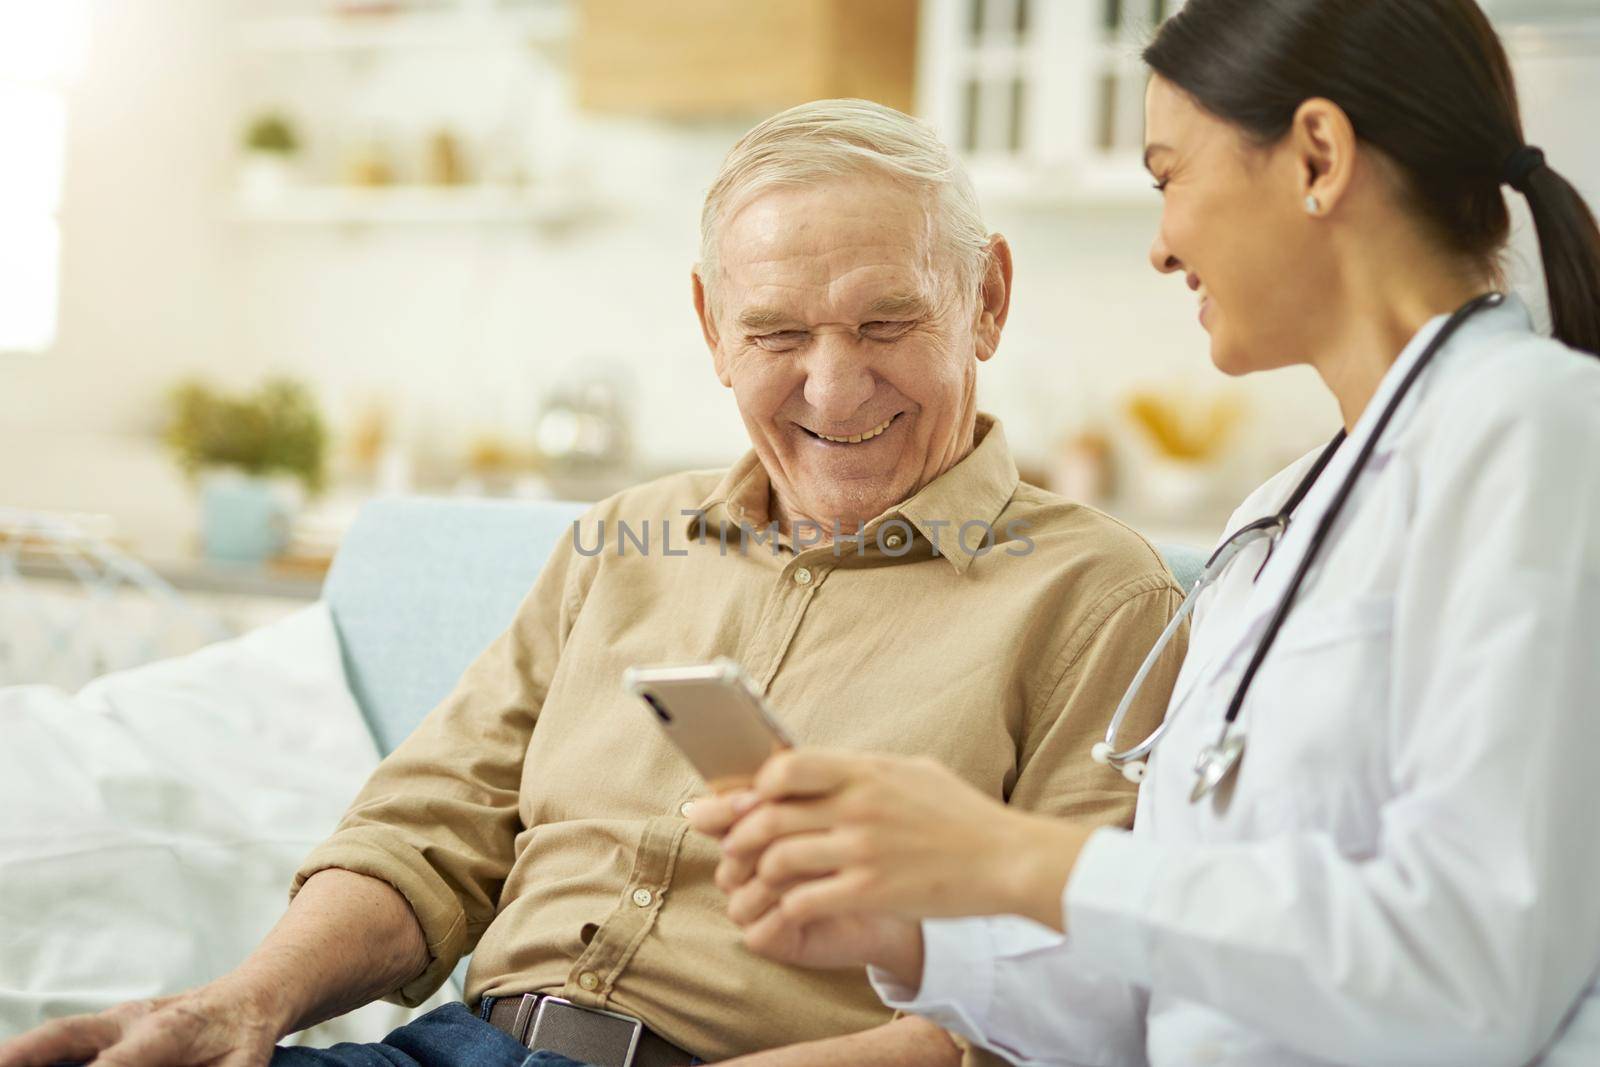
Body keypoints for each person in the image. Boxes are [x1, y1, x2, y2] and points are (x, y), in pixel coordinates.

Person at [0, 101, 1187, 1067]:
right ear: (709, 324)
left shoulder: (1100, 601)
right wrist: (243, 1003)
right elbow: (432, 828)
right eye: (776, 335)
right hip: (448, 1047)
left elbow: (1044, 1011)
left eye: (886, 321)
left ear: (984, 301)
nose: (832, 389)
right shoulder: (622, 538)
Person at [689, 2, 1600, 1064]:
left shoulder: (1540, 431)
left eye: (1169, 175)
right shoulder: (1281, 515)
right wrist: (916, 932)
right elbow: (1171, 998)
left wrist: (1013, 855)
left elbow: (1469, 978)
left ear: (1316, 154)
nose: (1160, 245)